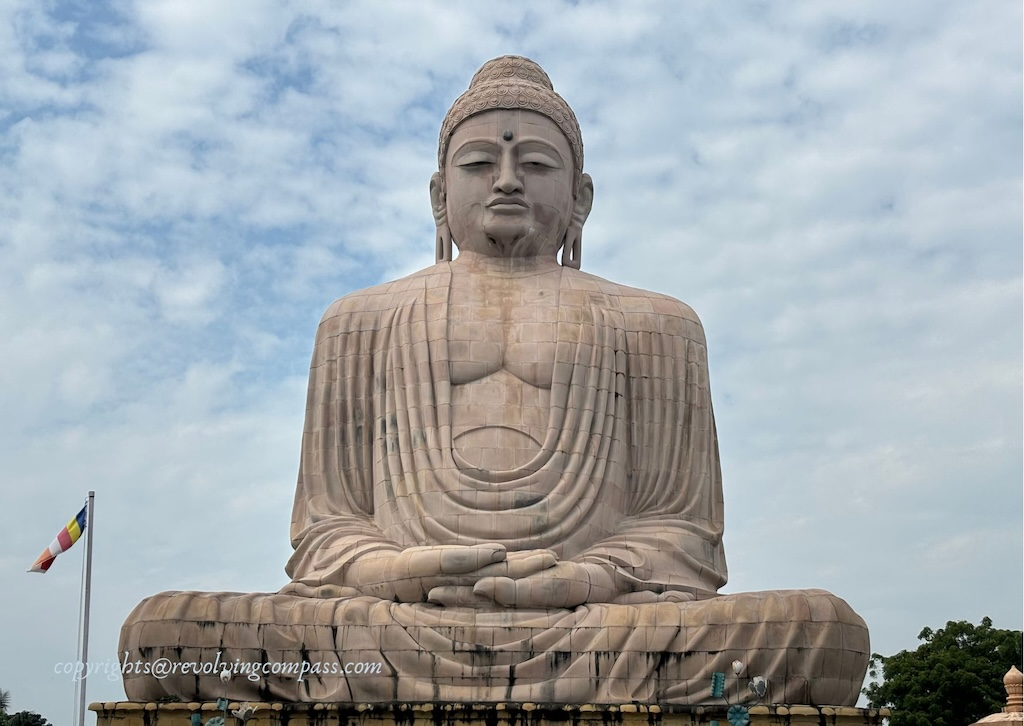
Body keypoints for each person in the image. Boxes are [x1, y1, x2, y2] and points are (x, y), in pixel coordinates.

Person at [120, 55, 869, 706]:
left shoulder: (657, 323)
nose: (506, 180)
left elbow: (683, 536)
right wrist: (396, 569)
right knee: (163, 636)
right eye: (479, 163)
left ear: (580, 197)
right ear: (440, 195)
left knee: (822, 634)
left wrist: (579, 582)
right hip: (393, 622)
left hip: (596, 621)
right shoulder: (358, 321)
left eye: (536, 164)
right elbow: (326, 532)